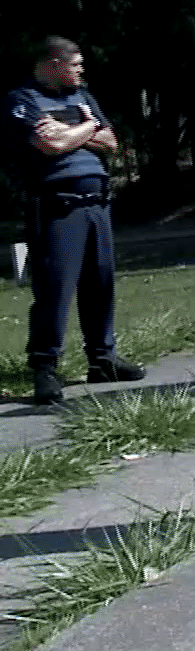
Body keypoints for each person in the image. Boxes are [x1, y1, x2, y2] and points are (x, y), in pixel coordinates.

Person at [7, 37, 144, 404]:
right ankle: (45, 367)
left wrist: (71, 132)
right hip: (56, 205)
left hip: (96, 202)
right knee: (56, 289)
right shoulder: (23, 100)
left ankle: (103, 358)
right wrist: (87, 129)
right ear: (54, 63)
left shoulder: (82, 96)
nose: (82, 71)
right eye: (76, 65)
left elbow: (111, 140)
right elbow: (49, 146)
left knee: (100, 283)